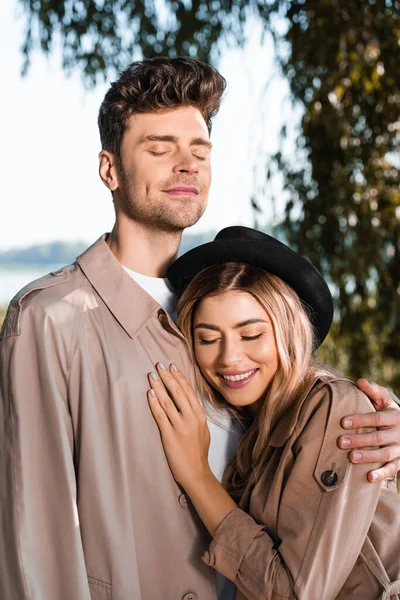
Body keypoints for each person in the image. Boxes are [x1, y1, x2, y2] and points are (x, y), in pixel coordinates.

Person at [0, 58, 399, 600]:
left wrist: (382, 437)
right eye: (160, 148)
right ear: (109, 169)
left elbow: (302, 434)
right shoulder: (51, 319)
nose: (186, 165)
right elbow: (34, 542)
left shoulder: (208, 313)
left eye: (200, 152)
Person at [147, 225, 400, 599]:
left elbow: (294, 594)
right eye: (208, 338)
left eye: (251, 335)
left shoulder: (333, 409)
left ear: (287, 331)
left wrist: (197, 477)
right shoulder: (249, 423)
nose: (229, 357)